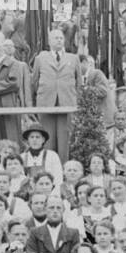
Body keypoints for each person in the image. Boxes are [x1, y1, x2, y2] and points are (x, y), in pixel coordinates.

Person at [31, 30, 81, 162]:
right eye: (55, 38)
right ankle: (48, 166)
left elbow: (79, 83)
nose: (59, 40)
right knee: (47, 137)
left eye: (61, 38)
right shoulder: (40, 58)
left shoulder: (73, 58)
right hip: (46, 103)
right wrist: (44, 93)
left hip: (67, 103)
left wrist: (74, 99)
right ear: (49, 42)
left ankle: (64, 166)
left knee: (65, 138)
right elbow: (34, 82)